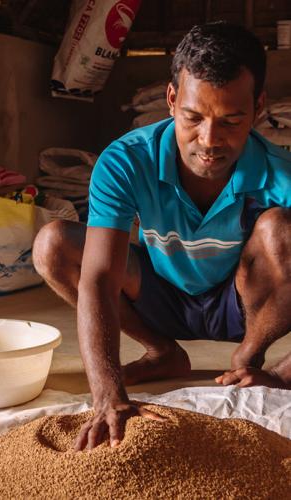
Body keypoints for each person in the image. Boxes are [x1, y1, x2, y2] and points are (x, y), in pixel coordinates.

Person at [32, 21, 291, 451]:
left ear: (258, 108)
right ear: (171, 100)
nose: (209, 140)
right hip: (159, 298)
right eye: (193, 117)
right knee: (53, 244)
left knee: (281, 230)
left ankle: (249, 358)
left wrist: (282, 377)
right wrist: (107, 395)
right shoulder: (126, 161)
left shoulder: (280, 172)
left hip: (243, 307)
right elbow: (98, 277)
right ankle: (163, 352)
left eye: (231, 120)